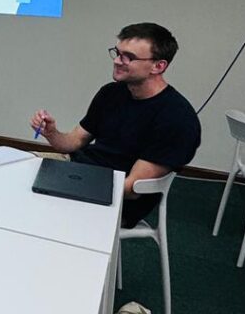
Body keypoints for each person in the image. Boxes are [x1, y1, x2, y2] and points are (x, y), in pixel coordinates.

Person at [30, 22, 201, 228]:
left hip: (116, 198)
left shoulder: (177, 118)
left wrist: (62, 183)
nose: (118, 61)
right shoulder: (111, 93)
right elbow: (72, 143)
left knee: (34, 209)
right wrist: (51, 133)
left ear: (158, 66)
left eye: (128, 57)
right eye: (118, 53)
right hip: (79, 170)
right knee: (13, 170)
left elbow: (131, 189)